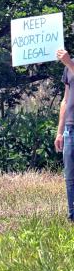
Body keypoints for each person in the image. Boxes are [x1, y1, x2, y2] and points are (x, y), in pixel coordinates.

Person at [55, 49, 74, 222]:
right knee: (69, 177)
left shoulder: (70, 64)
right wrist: (60, 131)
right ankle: (72, 217)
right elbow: (65, 100)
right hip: (70, 129)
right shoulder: (69, 66)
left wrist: (69, 63)